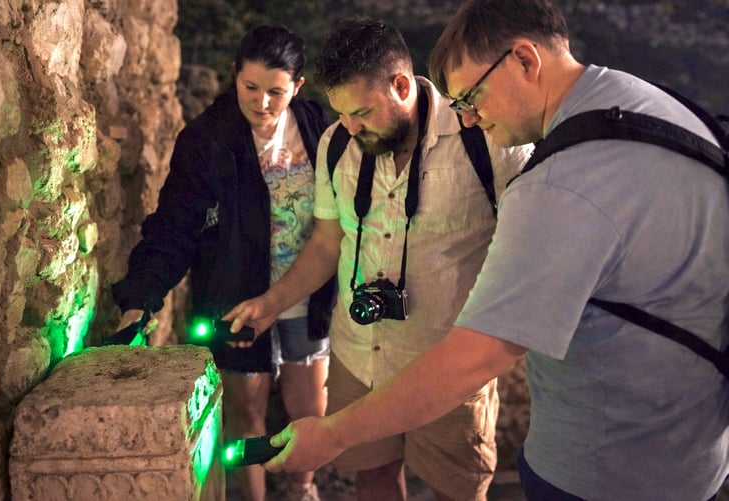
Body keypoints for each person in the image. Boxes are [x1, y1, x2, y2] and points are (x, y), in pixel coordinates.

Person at [254, 1, 729, 500]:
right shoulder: (649, 106)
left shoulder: (552, 181)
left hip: (607, 466)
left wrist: (331, 434)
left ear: (525, 60)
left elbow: (478, 354)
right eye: (460, 103)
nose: (472, 116)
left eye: (474, 95)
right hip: (685, 454)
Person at [224, 16, 532, 501]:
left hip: (449, 365)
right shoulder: (336, 145)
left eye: (362, 112)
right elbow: (328, 244)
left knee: (458, 490)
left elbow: (526, 251)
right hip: (357, 357)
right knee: (372, 479)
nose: (349, 126)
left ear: (402, 85)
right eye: (340, 113)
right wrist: (271, 302)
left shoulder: (485, 138)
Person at [111, 25, 334, 501]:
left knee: (310, 409)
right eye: (249, 88)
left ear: (298, 86)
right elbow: (173, 225)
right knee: (244, 415)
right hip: (235, 297)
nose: (261, 103)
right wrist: (141, 299)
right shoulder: (206, 141)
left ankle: (302, 488)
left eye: (275, 92)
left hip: (303, 291)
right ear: (234, 76)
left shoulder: (318, 128)